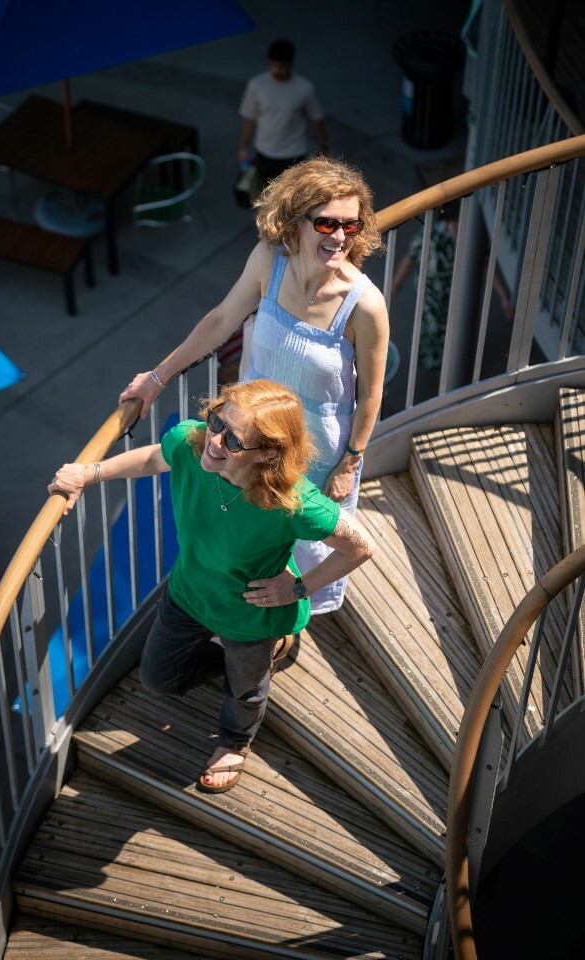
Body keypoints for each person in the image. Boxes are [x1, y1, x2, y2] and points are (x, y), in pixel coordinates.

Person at [49, 380, 373, 793]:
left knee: (245, 694)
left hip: (249, 616)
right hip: (189, 593)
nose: (215, 441)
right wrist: (90, 473)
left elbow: (361, 548)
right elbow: (153, 458)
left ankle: (236, 740)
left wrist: (296, 589)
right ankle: (269, 656)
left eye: (234, 440)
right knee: (158, 678)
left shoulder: (292, 502)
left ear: (268, 453)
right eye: (217, 420)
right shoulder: (191, 442)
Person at [119, 156, 389, 615]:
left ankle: (286, 624)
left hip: (315, 449)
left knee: (301, 544)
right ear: (297, 220)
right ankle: (235, 615)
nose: (340, 236)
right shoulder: (270, 261)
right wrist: (157, 378)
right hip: (245, 432)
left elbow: (371, 395)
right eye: (326, 224)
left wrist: (351, 460)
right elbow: (221, 320)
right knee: (242, 527)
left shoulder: (365, 306)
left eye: (351, 224)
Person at [391, 203, 514, 372]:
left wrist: (504, 296)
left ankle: (450, 369)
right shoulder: (432, 235)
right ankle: (433, 368)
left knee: (456, 334)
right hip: (430, 298)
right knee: (429, 332)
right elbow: (410, 258)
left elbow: (485, 265)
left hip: (456, 298)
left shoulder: (472, 237)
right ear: (449, 222)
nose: (459, 232)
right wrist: (395, 284)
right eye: (456, 227)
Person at [238, 39, 328, 187]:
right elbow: (250, 118)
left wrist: (323, 146)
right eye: (272, 65)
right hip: (264, 151)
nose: (276, 70)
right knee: (265, 194)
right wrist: (243, 146)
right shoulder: (256, 85)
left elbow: (316, 118)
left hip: (293, 154)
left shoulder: (304, 88)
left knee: (292, 197)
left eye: (281, 67)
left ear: (290, 64)